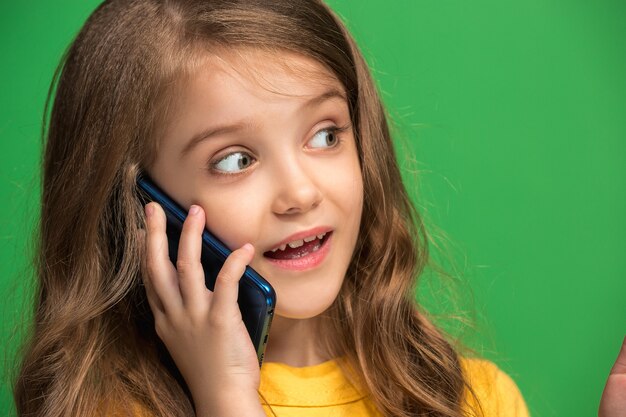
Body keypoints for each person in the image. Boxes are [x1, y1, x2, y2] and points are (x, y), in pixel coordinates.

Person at [14, 1, 620, 416]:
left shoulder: (473, 397)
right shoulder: (108, 408)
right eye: (234, 160)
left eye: (326, 135)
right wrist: (227, 401)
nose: (301, 193)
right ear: (140, 210)